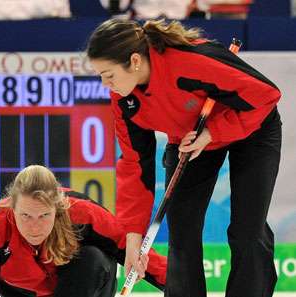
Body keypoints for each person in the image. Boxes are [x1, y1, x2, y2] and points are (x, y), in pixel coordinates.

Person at [86, 18, 281, 297]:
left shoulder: (190, 62)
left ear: (134, 61)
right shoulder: (124, 100)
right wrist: (132, 239)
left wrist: (213, 132)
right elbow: (133, 166)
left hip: (252, 128)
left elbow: (266, 95)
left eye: (109, 75)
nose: (106, 85)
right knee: (182, 232)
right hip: (190, 141)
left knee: (247, 231)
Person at [0, 165, 167, 297]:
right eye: (26, 216)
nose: (35, 227)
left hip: (83, 289)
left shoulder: (82, 213)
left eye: (44, 216)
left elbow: (134, 249)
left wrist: (183, 288)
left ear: (57, 208)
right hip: (23, 293)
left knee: (93, 258)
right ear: (11, 209)